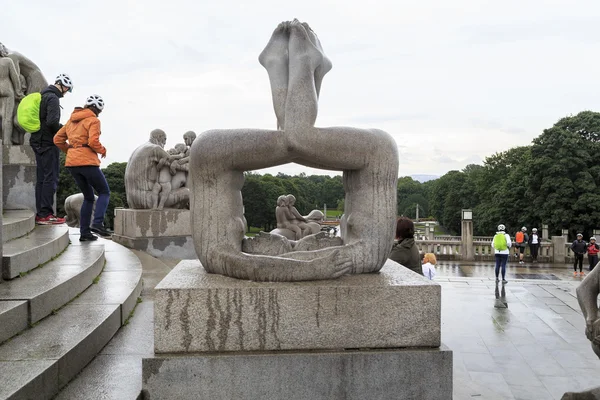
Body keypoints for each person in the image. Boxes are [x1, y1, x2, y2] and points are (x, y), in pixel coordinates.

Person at [53, 95, 111, 241]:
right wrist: (102, 150)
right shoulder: (94, 120)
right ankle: (97, 223)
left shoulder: (71, 121)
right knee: (104, 191)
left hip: (73, 164)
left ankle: (84, 233)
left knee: (89, 197)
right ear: (98, 110)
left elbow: (57, 139)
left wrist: (71, 152)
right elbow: (93, 141)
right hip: (87, 162)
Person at [31, 73, 73, 225]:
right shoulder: (53, 98)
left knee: (42, 178)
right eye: (67, 90)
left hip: (37, 141)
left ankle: (41, 213)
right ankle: (46, 214)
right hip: (48, 142)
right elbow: (52, 122)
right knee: (51, 177)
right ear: (63, 86)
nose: (66, 93)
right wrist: (67, 132)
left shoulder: (42, 96)